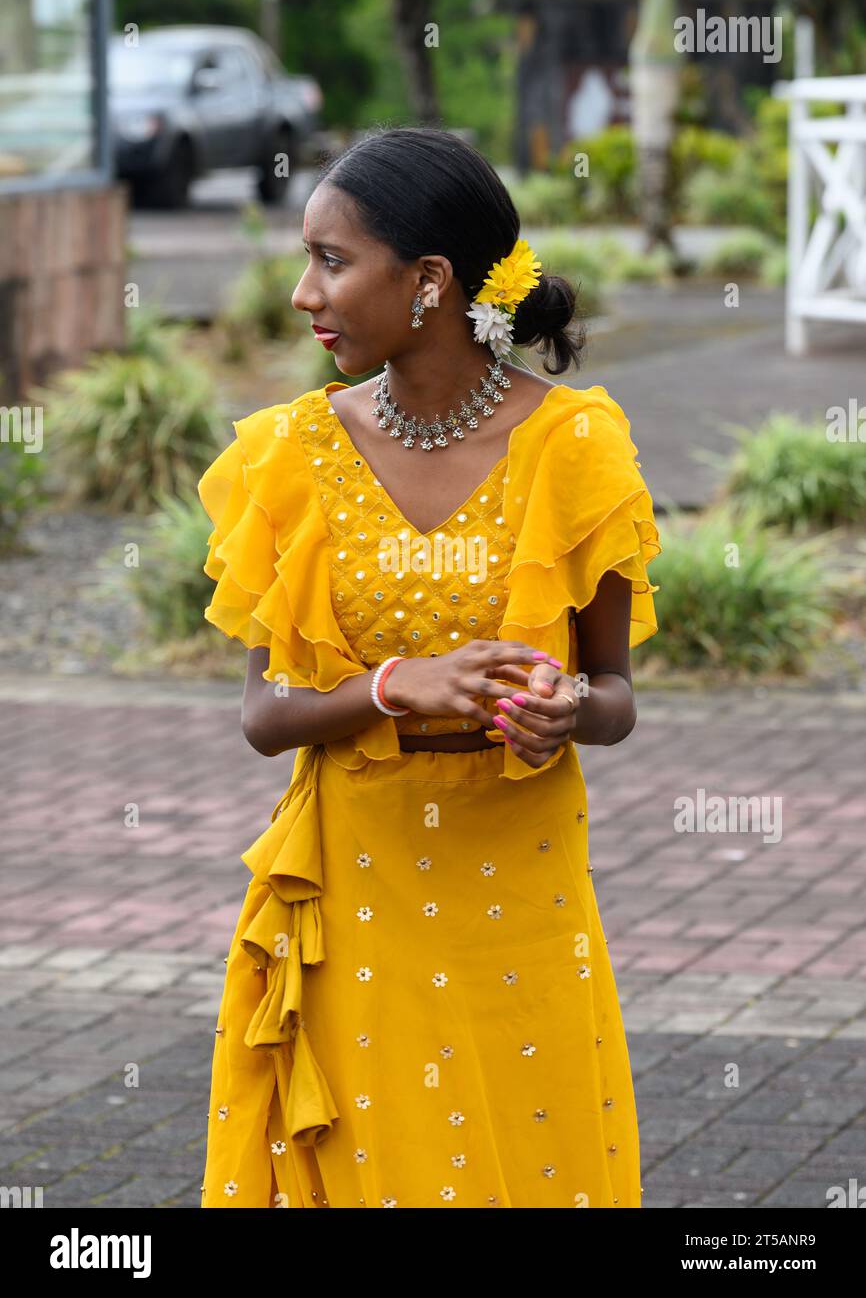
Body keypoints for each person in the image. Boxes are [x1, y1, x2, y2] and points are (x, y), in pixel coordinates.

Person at [197, 125, 662, 1209]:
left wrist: (565, 708)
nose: (303, 292)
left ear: (428, 281)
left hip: (520, 894)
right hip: (356, 889)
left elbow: (616, 696)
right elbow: (265, 715)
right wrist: (394, 685)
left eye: (331, 259)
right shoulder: (292, 454)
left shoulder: (572, 448)